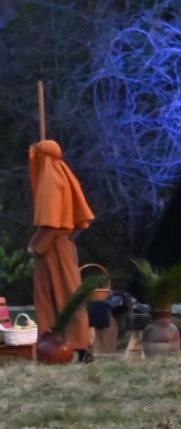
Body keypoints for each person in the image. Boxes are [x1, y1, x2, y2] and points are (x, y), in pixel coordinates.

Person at [28, 140, 95, 362]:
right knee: (69, 294)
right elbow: (74, 221)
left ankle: (58, 346)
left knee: (53, 296)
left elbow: (51, 223)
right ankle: (77, 346)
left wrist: (35, 245)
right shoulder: (63, 173)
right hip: (63, 245)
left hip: (53, 249)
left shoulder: (50, 179)